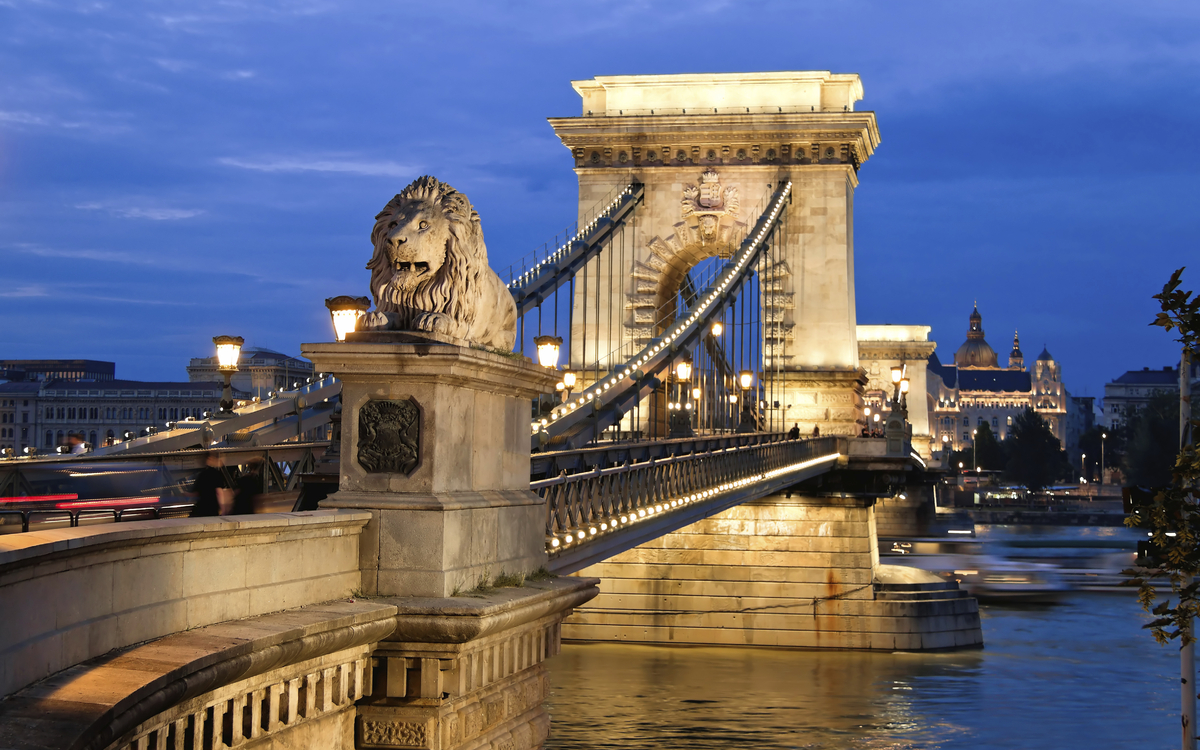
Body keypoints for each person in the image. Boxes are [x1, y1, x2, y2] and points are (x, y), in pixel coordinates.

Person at [190, 451, 229, 517]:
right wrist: (223, 509)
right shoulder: (216, 474)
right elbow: (219, 493)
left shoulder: (202, 474)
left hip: (200, 508)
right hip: (212, 508)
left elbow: (196, 493)